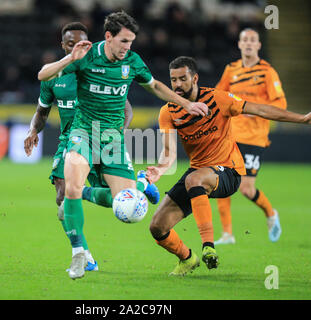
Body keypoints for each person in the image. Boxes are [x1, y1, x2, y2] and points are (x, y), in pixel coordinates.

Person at [37, 11, 210, 280]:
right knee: (71, 186)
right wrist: (70, 58)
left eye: (131, 41)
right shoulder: (86, 56)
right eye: (124, 41)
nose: (128, 47)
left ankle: (141, 184)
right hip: (83, 133)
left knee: (128, 208)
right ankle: (79, 254)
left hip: (112, 140)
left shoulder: (132, 60)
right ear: (108, 37)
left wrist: (188, 104)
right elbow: (43, 74)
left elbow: (154, 86)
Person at [146, 56, 310, 276]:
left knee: (193, 179)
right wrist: (159, 169)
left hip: (229, 171)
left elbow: (260, 110)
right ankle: (187, 259)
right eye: (173, 80)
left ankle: (208, 247)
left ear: (194, 78)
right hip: (199, 173)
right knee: (157, 227)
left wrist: (301, 119)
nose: (177, 85)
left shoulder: (218, 99)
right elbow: (168, 153)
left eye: (182, 79)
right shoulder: (169, 111)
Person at [25, 22, 157, 276]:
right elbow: (41, 112)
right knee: (63, 197)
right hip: (72, 141)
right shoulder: (56, 78)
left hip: (103, 137)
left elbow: (126, 108)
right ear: (63, 46)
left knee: (117, 201)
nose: (78, 47)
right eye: (71, 43)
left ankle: (140, 185)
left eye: (82, 42)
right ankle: (84, 256)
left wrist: (116, 133)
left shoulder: (98, 69)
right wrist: (33, 130)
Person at [215, 29, 287, 245]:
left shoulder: (267, 72)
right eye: (244, 40)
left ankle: (270, 213)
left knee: (246, 189)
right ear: (239, 44)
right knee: (219, 181)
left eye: (252, 40)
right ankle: (227, 234)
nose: (248, 43)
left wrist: (254, 109)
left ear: (258, 45)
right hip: (230, 135)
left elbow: (280, 104)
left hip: (254, 137)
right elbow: (219, 96)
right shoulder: (231, 69)